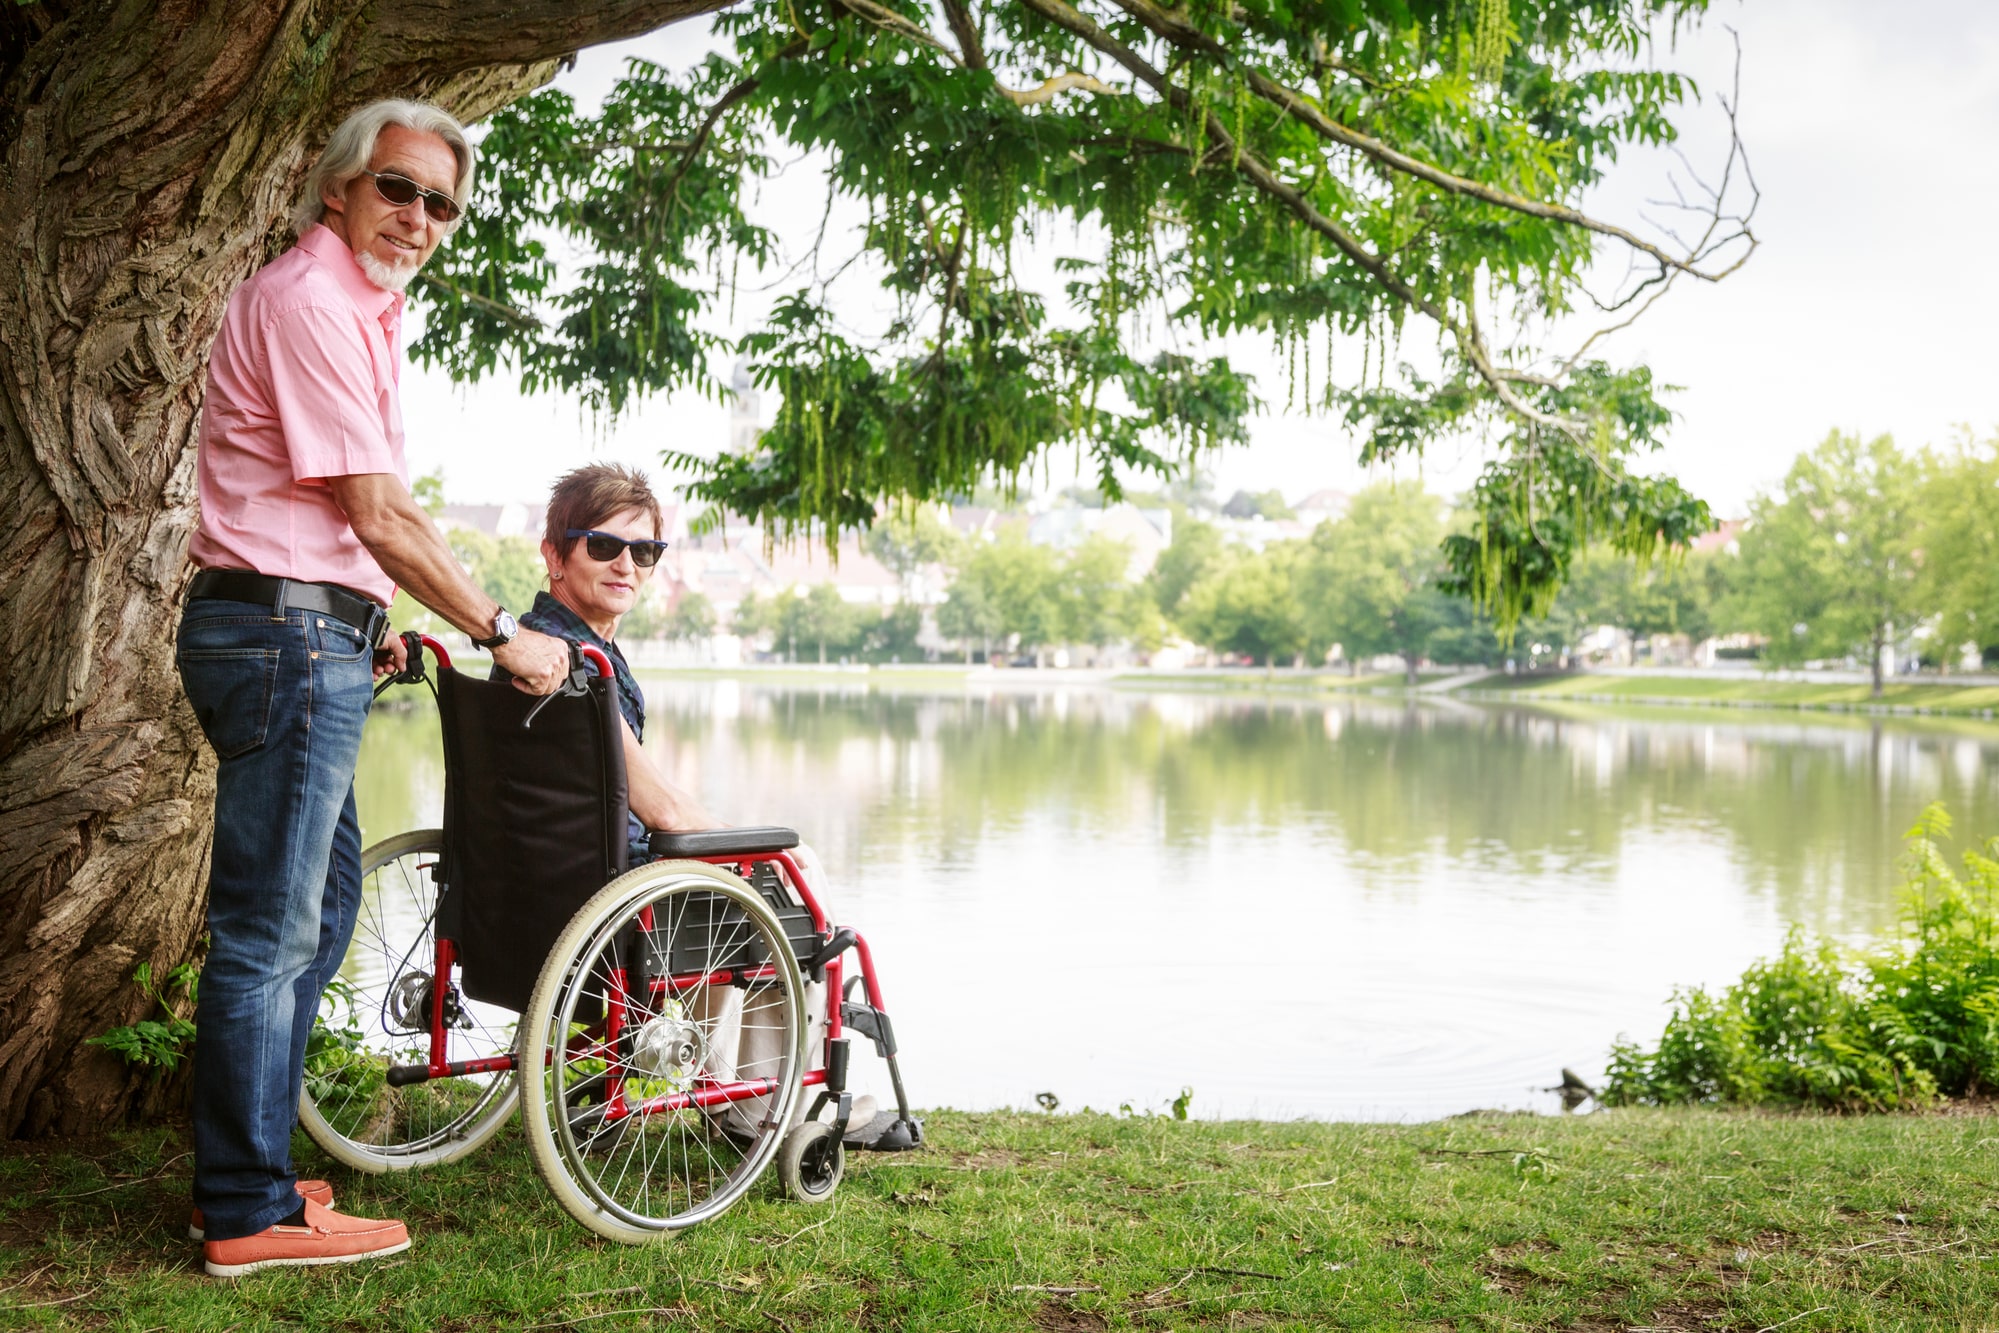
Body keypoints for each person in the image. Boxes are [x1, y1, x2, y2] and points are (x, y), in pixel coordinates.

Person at [176, 99, 570, 1278]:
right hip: (282, 642)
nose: (418, 217)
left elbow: (335, 519)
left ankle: (249, 1172)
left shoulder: (360, 310)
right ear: (337, 187)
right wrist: (500, 629)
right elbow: (375, 507)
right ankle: (244, 1207)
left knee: (322, 907)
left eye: (441, 202)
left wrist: (375, 618)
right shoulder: (311, 302)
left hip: (314, 635)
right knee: (269, 930)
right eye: (398, 188)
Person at [505, 464, 860, 1135]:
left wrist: (725, 835)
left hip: (522, 899)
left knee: (740, 871)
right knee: (790, 873)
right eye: (604, 546)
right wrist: (757, 846)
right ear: (554, 554)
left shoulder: (524, 646)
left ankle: (733, 1086)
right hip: (606, 903)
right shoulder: (573, 665)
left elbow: (643, 792)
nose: (627, 566)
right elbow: (661, 811)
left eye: (644, 551)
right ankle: (754, 1106)